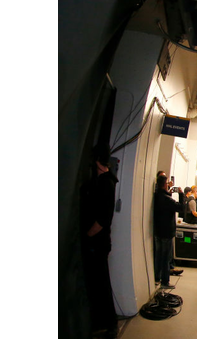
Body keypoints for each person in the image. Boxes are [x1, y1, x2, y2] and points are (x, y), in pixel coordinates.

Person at [79, 144, 118, 338]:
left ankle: (108, 325)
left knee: (100, 285)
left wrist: (87, 236)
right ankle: (106, 324)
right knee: (100, 284)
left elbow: (103, 218)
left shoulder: (105, 183)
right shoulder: (106, 182)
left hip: (98, 242)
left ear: (97, 162)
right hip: (99, 242)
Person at [153, 174, 182, 289]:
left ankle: (156, 278)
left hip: (158, 231)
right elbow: (180, 208)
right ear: (165, 184)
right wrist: (181, 194)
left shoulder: (157, 196)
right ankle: (165, 282)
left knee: (158, 257)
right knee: (165, 258)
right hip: (166, 232)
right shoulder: (166, 199)